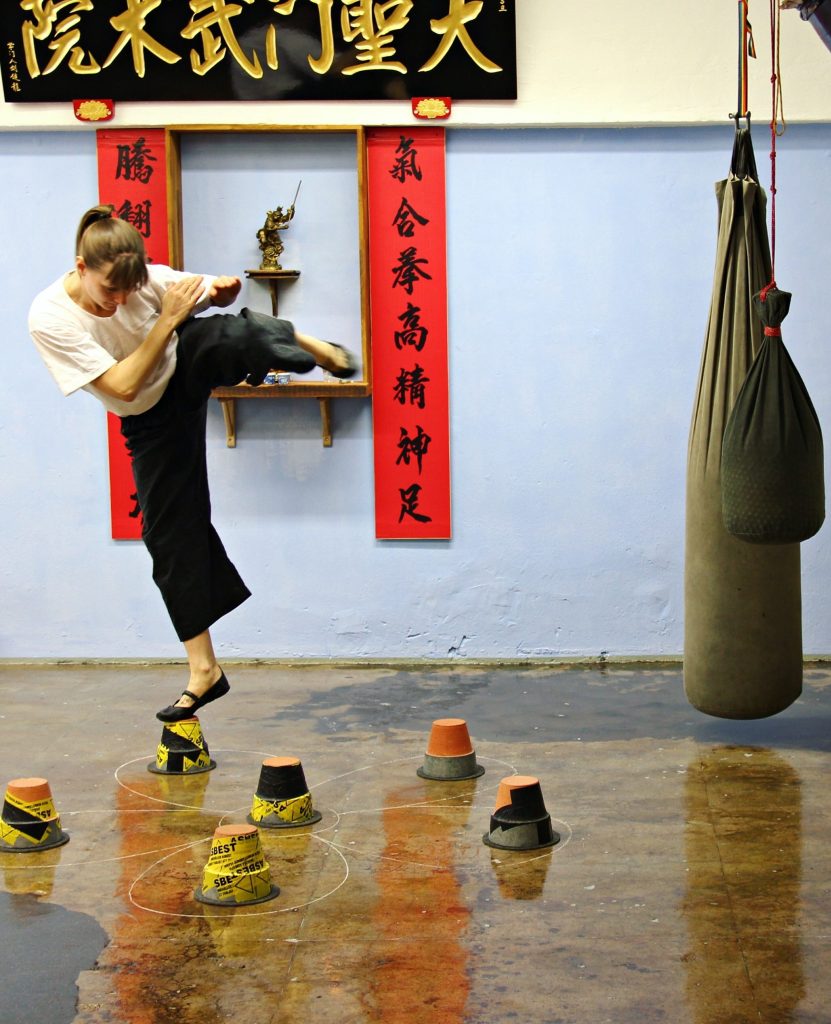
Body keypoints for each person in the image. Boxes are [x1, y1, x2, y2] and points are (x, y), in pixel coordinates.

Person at [29, 204, 357, 723]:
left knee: (225, 333)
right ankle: (205, 670)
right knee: (168, 535)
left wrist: (221, 290)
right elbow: (122, 386)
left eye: (130, 289)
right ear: (81, 267)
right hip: (147, 414)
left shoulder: (149, 279)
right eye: (110, 290)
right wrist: (166, 319)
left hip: (182, 363)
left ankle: (313, 348)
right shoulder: (50, 317)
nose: (120, 300)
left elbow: (212, 293)